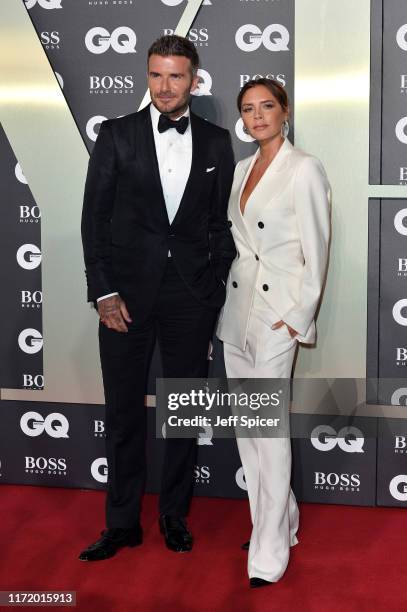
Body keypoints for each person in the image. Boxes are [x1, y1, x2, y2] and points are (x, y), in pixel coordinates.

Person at [79, 35, 235, 561]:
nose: (165, 87)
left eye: (175, 76)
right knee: (123, 411)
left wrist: (213, 289)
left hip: (191, 294)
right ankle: (121, 522)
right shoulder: (116, 136)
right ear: (146, 75)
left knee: (184, 411)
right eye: (155, 75)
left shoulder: (216, 141)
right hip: (123, 295)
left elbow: (219, 224)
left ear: (195, 79)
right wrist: (102, 292)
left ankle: (173, 514)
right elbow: (94, 220)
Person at [217, 78, 331, 587]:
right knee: (248, 430)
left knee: (268, 428)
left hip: (276, 314)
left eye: (267, 106)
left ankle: (267, 552)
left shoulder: (303, 168)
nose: (257, 116)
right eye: (248, 109)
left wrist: (295, 313)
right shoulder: (242, 169)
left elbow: (317, 248)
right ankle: (276, 522)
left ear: (285, 111)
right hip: (238, 313)